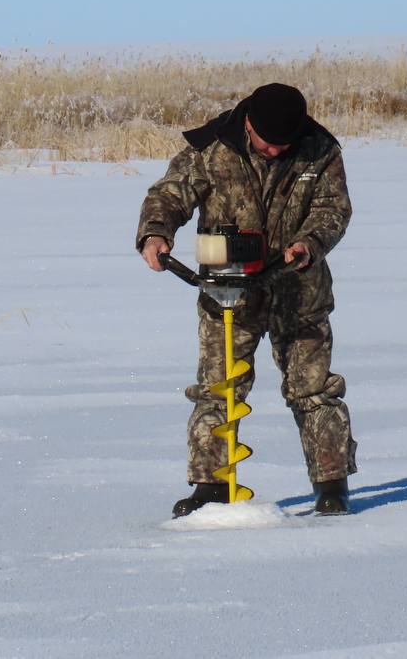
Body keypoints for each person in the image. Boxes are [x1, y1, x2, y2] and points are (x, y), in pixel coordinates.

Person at [135, 82, 358, 518]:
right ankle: (211, 487)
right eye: (267, 143)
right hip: (226, 291)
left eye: (284, 145)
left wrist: (309, 243)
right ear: (249, 124)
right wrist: (156, 233)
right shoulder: (213, 146)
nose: (275, 152)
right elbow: (168, 194)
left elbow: (334, 209)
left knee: (314, 391)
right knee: (219, 390)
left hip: (298, 289)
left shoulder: (320, 148)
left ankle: (332, 485)